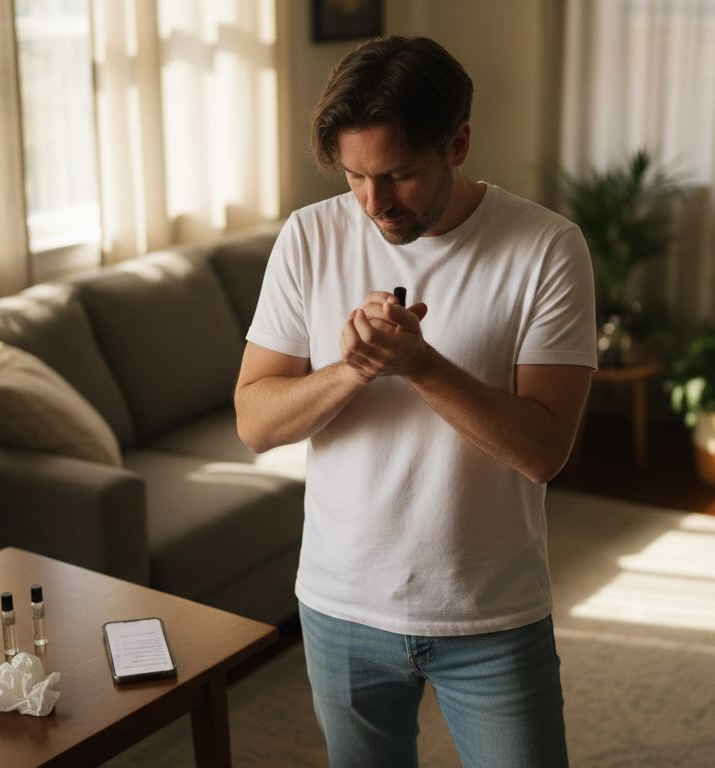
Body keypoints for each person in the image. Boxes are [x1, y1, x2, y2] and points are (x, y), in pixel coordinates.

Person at [235, 35, 595, 767]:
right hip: (340, 606)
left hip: (491, 614)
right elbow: (256, 421)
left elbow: (543, 451)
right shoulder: (309, 238)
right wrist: (354, 368)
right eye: (354, 176)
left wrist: (420, 364)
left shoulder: (547, 248)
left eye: (398, 175)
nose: (374, 204)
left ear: (457, 144)